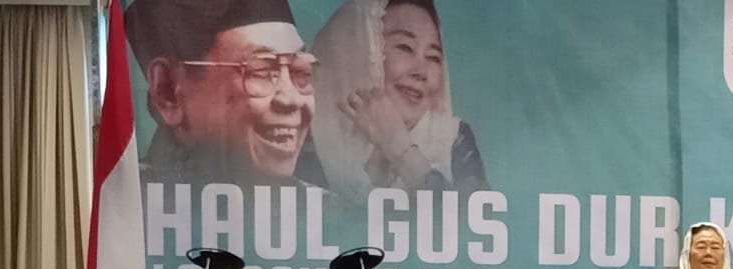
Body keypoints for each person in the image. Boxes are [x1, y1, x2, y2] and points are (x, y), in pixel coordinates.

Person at [310, 0, 487, 205]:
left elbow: (472, 221)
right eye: (405, 47)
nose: (421, 72)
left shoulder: (452, 140)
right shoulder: (303, 137)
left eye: (433, 57)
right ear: (356, 51)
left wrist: (400, 149)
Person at [125, 0, 316, 185]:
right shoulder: (131, 199)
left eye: (300, 71)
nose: (292, 100)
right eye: (261, 71)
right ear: (168, 93)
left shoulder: (324, 204)